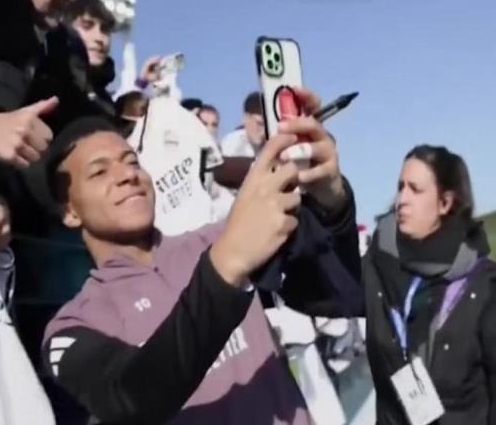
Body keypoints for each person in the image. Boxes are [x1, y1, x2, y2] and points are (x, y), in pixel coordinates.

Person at [42, 88, 363, 424]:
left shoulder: (222, 237)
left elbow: (344, 295)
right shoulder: (73, 325)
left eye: (132, 161)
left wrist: (330, 202)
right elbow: (128, 397)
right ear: (70, 212)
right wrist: (225, 269)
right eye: (99, 172)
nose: (127, 175)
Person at [363, 145, 496, 425]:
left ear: (445, 203)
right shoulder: (377, 265)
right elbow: (324, 294)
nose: (402, 199)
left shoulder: (484, 286)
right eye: (400, 187)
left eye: (415, 189)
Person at [221, 91, 265, 157]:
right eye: (259, 124)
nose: (263, 131)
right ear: (245, 119)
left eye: (266, 126)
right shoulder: (232, 143)